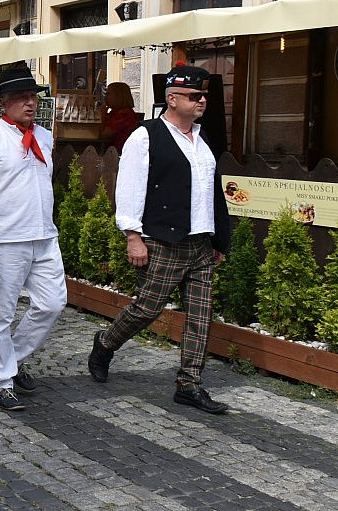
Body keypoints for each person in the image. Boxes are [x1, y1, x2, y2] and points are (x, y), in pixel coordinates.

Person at [88, 64, 232, 415]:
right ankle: (105, 343)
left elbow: (210, 192)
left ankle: (189, 384)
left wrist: (218, 240)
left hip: (200, 242)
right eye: (195, 96)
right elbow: (131, 187)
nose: (202, 101)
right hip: (163, 239)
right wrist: (132, 236)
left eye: (205, 96)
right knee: (146, 309)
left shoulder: (204, 137)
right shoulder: (145, 135)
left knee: (201, 315)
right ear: (172, 98)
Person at [0, 65, 67, 412]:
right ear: (3, 102)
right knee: (1, 313)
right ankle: (1, 381)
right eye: (21, 98)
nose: (30, 103)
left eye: (33, 97)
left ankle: (12, 358)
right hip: (6, 238)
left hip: (43, 235)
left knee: (52, 303)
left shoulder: (44, 136)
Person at [100, 81, 142, 152]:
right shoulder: (114, 112)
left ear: (118, 96)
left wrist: (102, 115)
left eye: (108, 94)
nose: (105, 97)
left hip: (120, 153)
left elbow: (104, 134)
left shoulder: (124, 114)